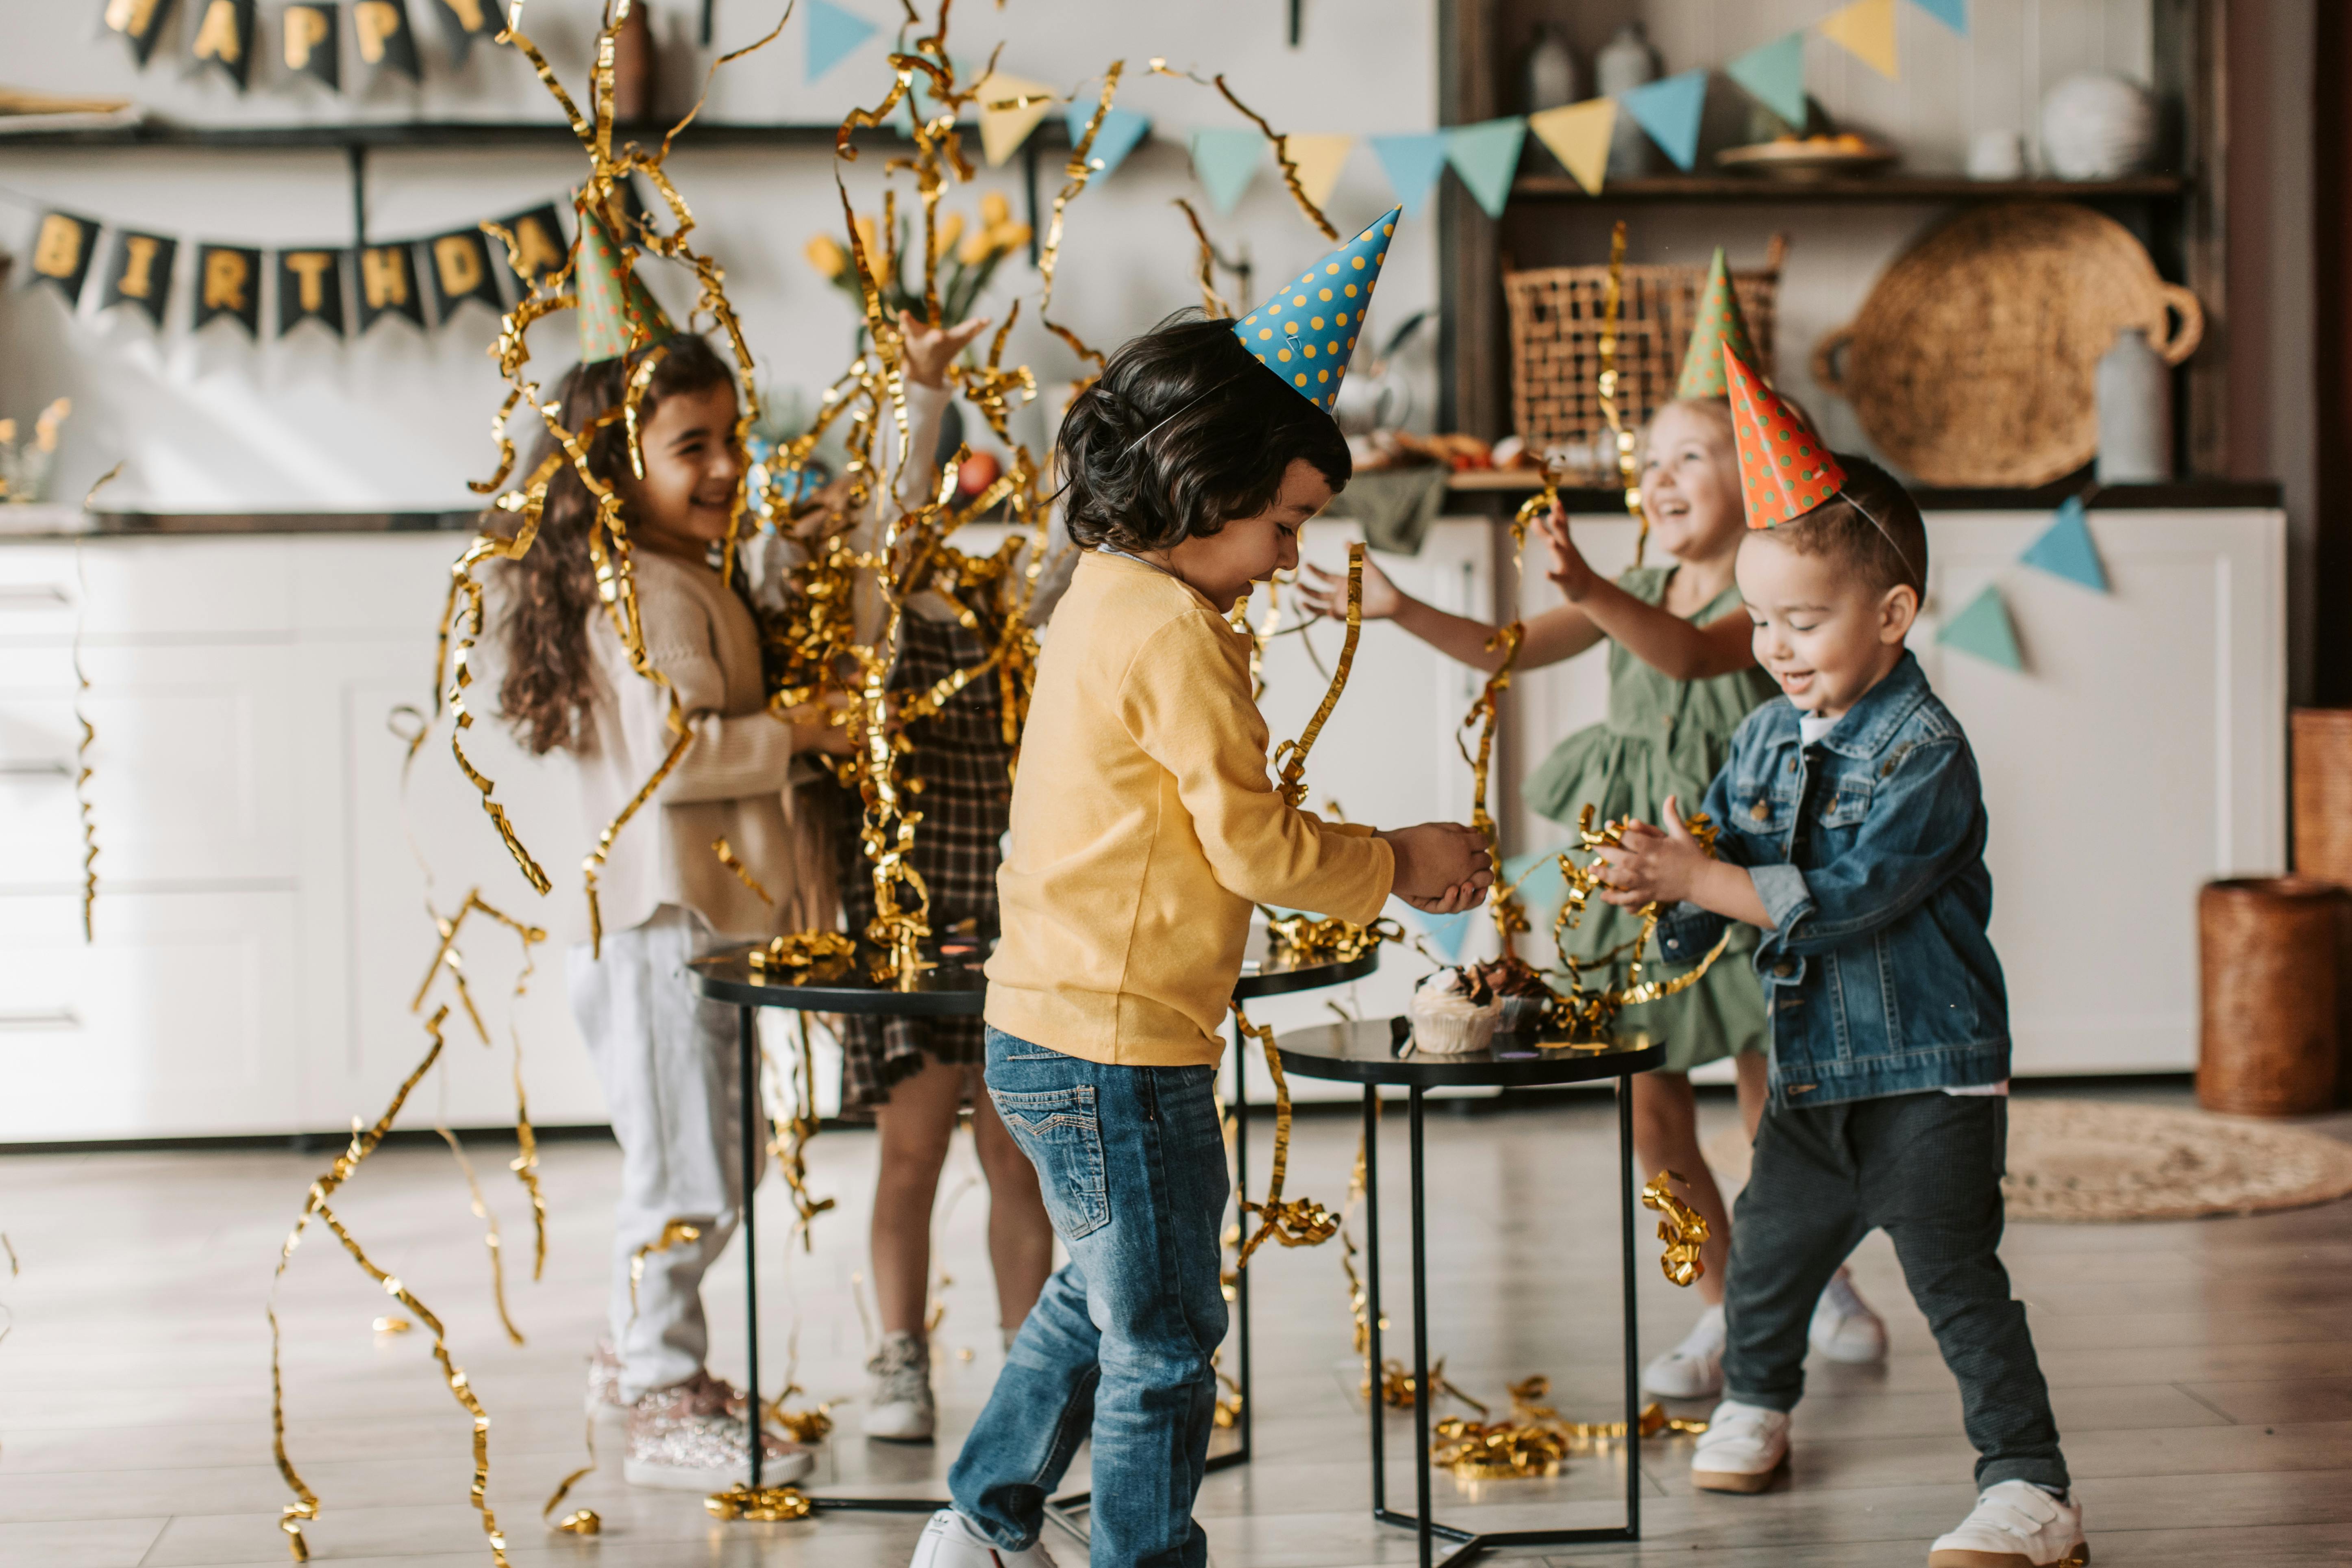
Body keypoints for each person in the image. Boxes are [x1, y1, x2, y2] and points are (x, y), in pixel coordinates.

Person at [911, 213, 1494, 1568]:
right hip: (1122, 1043)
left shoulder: (1101, 593)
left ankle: (981, 1519)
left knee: (1101, 1291)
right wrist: (1401, 863)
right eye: (1285, 523)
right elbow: (1256, 847)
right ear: (1200, 482)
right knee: (1166, 1336)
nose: (1292, 556)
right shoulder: (1176, 631)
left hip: (1045, 1022)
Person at [1297, 251, 1884, 1401]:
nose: (1659, 477)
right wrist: (1403, 604)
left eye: (1691, 457)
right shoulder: (1633, 579)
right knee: (1649, 1103)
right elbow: (1501, 650)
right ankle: (1722, 1303)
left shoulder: (1760, 603)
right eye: (1650, 457)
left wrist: (1591, 586)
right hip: (1633, 876)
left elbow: (1686, 654)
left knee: (1786, 1111)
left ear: (1757, 479)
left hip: (1742, 868)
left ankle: (1809, 1279)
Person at [1593, 354, 2084, 1568]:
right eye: (1758, 621)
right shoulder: (1759, 737)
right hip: (1814, 1073)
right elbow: (1714, 883)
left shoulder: (1926, 750)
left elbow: (1851, 895)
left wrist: (1712, 880)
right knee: (1766, 1254)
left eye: (1801, 621)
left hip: (1925, 1071)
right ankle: (1758, 1400)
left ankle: (2031, 1488)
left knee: (1957, 1281)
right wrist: (1666, 883)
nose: (1772, 647)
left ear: (1891, 614)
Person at [818, 314, 1060, 1446]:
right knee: (909, 1150)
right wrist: (919, 396)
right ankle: (898, 1360)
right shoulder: (878, 620)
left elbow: (1071, 561)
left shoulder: (1013, 616)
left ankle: (1031, 1364)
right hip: (907, 929)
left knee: (1016, 1152)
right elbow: (883, 520)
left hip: (1015, 929)